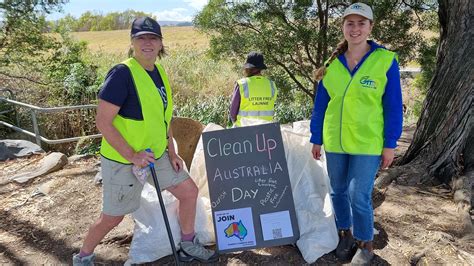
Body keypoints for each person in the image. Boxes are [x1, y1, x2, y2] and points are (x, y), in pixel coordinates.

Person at [73, 17, 218, 265]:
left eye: (153, 38)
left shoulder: (159, 71)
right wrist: (132, 156)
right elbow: (103, 122)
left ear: (161, 43)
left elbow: (164, 117)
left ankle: (187, 244)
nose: (148, 43)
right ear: (132, 42)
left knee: (189, 192)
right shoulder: (122, 74)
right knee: (113, 217)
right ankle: (83, 257)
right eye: (142, 38)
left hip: (156, 154)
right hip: (123, 159)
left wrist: (172, 152)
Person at [310, 3, 403, 265]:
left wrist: (390, 143)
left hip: (368, 141)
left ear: (370, 27)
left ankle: (365, 244)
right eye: (350, 23)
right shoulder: (332, 65)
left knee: (357, 194)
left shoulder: (385, 61)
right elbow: (320, 106)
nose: (355, 28)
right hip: (335, 141)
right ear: (343, 28)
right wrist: (316, 137)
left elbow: (393, 105)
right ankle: (345, 235)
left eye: (361, 23)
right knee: (337, 191)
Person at [229, 51, 278, 127]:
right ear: (261, 68)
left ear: (248, 68)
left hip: (244, 130)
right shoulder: (271, 85)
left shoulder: (242, 84)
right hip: (266, 131)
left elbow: (233, 112)